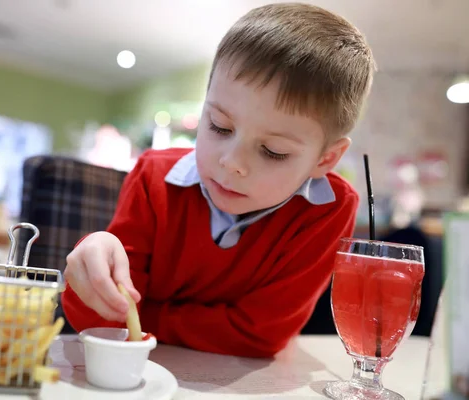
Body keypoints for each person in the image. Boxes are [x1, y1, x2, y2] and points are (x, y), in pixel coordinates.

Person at [62, 2, 376, 357]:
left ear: (326, 159)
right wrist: (90, 269)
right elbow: (103, 320)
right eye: (219, 126)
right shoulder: (153, 177)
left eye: (273, 151)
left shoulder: (329, 209)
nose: (232, 163)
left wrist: (147, 315)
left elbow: (260, 335)